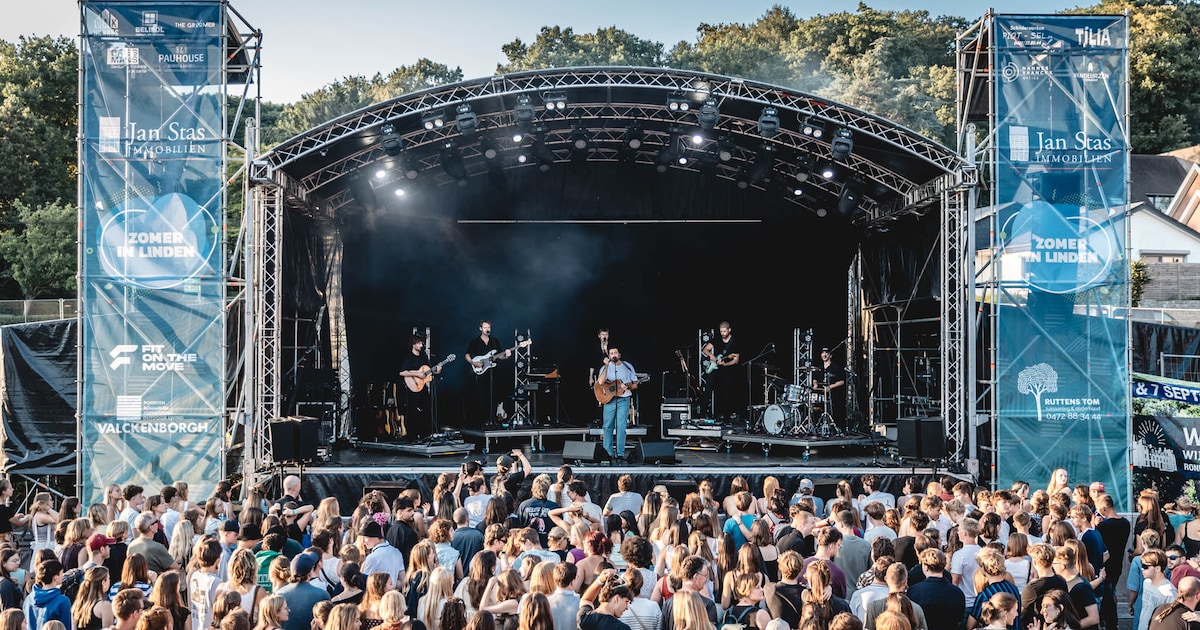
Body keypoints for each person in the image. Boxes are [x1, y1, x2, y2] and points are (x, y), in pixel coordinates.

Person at [397, 334, 443, 440]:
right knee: (412, 411)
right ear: (413, 344)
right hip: (412, 387)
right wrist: (417, 374)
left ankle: (425, 434)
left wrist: (437, 371)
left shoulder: (424, 357)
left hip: (423, 387)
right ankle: (412, 435)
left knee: (427, 408)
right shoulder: (409, 357)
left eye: (422, 343)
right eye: (419, 343)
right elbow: (402, 372)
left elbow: (428, 371)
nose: (421, 345)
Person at [596, 346, 639, 461]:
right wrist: (606, 366)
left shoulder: (627, 366)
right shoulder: (605, 367)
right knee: (607, 426)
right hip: (609, 400)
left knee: (621, 426)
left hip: (623, 399)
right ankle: (607, 453)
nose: (613, 355)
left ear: (619, 355)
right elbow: (600, 382)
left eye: (615, 353)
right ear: (609, 356)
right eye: (611, 353)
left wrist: (627, 387)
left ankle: (620, 453)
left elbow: (635, 384)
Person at [465, 321, 510, 428]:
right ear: (480, 328)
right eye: (485, 327)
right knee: (482, 396)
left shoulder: (494, 341)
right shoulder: (475, 342)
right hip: (481, 373)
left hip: (493, 372)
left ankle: (492, 420)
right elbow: (467, 354)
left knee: (493, 395)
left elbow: (499, 356)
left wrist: (507, 355)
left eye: (489, 327)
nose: (487, 329)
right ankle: (483, 421)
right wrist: (473, 363)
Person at [701, 322, 739, 422]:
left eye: (724, 331)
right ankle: (701, 415)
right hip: (715, 369)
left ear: (729, 330)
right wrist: (711, 355)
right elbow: (705, 349)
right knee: (707, 390)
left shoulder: (734, 342)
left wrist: (725, 364)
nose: (722, 333)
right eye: (721, 331)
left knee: (727, 394)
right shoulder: (717, 339)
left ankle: (726, 418)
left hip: (727, 371)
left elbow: (736, 360)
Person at [813, 347, 846, 424]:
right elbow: (815, 379)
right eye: (823, 353)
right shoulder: (819, 368)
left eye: (826, 353)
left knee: (834, 412)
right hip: (821, 394)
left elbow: (842, 381)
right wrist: (815, 384)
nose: (824, 355)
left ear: (830, 356)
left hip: (833, 395)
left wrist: (830, 387)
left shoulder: (835, 367)